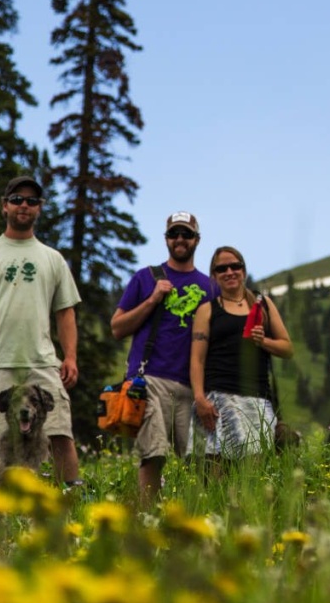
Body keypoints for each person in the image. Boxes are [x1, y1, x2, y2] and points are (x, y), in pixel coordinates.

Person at [0, 175, 83, 486]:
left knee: (61, 434)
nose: (24, 205)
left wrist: (71, 357)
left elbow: (65, 312)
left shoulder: (53, 259)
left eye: (32, 201)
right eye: (17, 199)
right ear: (4, 206)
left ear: (39, 209)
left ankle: (69, 504)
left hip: (42, 362)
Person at [111, 211, 216, 500]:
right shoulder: (146, 278)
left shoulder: (210, 287)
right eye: (174, 234)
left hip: (192, 388)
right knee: (153, 453)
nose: (180, 239)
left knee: (201, 461)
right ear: (166, 239)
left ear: (197, 239)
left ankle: (202, 519)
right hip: (148, 381)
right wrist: (153, 299)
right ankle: (147, 521)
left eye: (186, 234)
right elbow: (117, 328)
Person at [191, 246, 294, 459]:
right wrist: (200, 399)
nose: (229, 272)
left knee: (255, 465)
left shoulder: (262, 304)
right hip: (219, 396)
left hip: (258, 397)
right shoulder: (207, 310)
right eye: (222, 269)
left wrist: (263, 341)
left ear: (243, 271)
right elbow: (197, 359)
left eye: (235, 266)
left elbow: (287, 348)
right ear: (214, 276)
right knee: (222, 463)